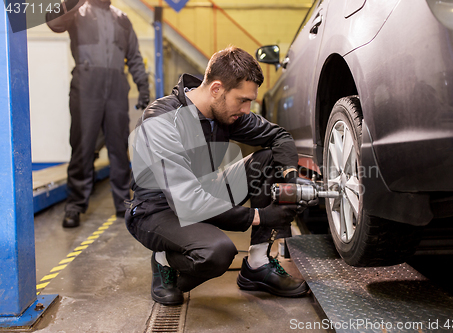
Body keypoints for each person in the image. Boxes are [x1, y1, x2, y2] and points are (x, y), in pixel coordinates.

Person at [126, 46, 317, 305]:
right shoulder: (161, 120)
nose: (247, 110)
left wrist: (290, 177)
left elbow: (279, 136)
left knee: (270, 160)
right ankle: (164, 260)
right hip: (156, 210)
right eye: (243, 100)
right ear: (216, 89)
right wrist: (259, 216)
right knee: (216, 252)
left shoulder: (226, 113)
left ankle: (258, 263)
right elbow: (187, 202)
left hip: (203, 192)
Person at [46, 0, 150, 228]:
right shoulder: (77, 11)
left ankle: (124, 204)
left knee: (119, 147)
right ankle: (74, 206)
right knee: (82, 147)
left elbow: (133, 55)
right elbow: (53, 22)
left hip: (116, 86)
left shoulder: (122, 18)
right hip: (86, 85)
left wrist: (143, 87)